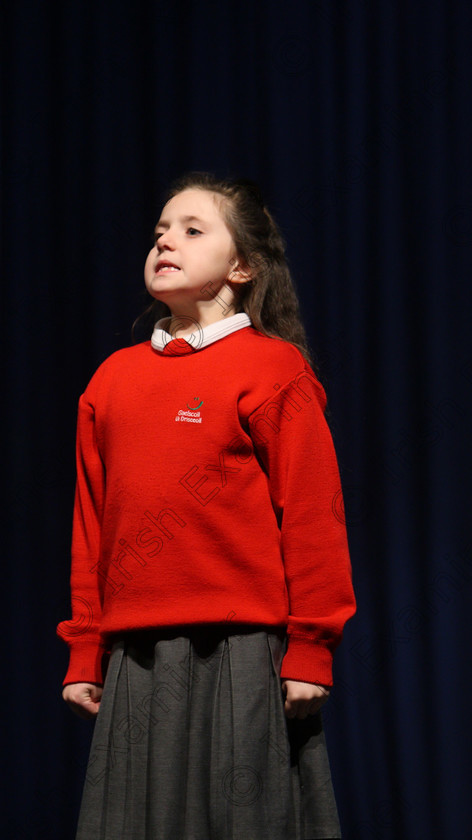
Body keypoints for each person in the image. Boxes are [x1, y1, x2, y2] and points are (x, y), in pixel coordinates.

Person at [57, 172, 356, 840]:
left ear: (243, 265)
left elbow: (313, 515)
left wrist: (311, 644)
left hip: (240, 654)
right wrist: (85, 649)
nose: (167, 241)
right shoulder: (112, 379)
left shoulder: (273, 370)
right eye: (160, 231)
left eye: (193, 230)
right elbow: (90, 528)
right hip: (136, 660)